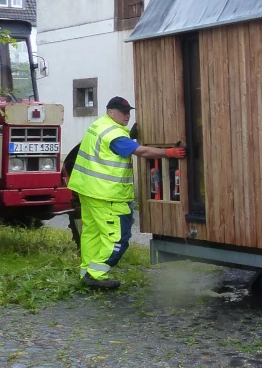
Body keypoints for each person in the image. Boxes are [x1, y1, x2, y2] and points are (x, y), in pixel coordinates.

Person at [67, 97, 184, 290]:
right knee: (117, 238)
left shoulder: (99, 125)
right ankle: (96, 274)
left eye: (129, 112)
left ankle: (86, 272)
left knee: (92, 233)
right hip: (107, 195)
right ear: (111, 112)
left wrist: (130, 134)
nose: (127, 115)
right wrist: (169, 153)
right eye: (123, 112)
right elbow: (142, 152)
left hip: (88, 191)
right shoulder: (115, 135)